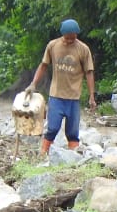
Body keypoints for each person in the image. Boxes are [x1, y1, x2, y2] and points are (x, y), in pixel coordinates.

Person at [25, 19, 97, 155]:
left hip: (74, 97)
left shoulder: (83, 49)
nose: (70, 40)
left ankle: (72, 156)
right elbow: (43, 65)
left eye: (73, 37)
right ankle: (43, 153)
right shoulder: (53, 46)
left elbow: (89, 72)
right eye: (68, 38)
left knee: (73, 132)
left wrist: (92, 95)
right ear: (62, 34)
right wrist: (33, 83)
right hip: (56, 96)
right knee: (52, 128)